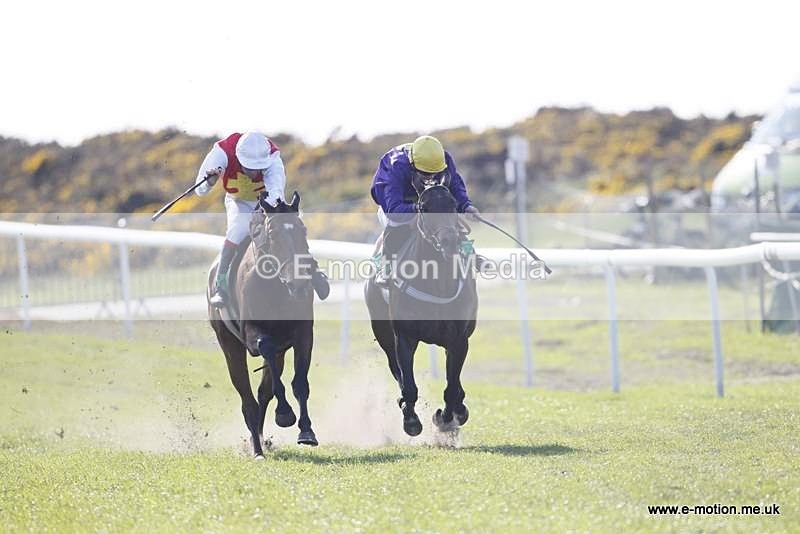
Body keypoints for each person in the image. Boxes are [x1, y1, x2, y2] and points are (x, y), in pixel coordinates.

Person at [195, 131, 329, 306]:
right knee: (238, 230)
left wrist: (266, 216)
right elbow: (200, 190)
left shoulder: (273, 158)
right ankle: (220, 286)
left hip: (266, 202)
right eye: (249, 167)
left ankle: (313, 270)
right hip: (238, 201)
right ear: (238, 157)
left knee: (289, 226)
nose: (253, 172)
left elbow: (276, 194)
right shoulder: (221, 152)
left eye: (258, 168)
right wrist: (209, 182)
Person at [370, 135, 481, 286]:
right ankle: (386, 266)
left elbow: (455, 183)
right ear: (412, 164)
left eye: (435, 173)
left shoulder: (442, 159)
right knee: (396, 224)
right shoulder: (395, 167)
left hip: (429, 200)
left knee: (448, 219)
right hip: (397, 205)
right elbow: (394, 210)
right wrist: (418, 208)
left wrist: (466, 205)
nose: (431, 177)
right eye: (426, 173)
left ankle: (471, 255)